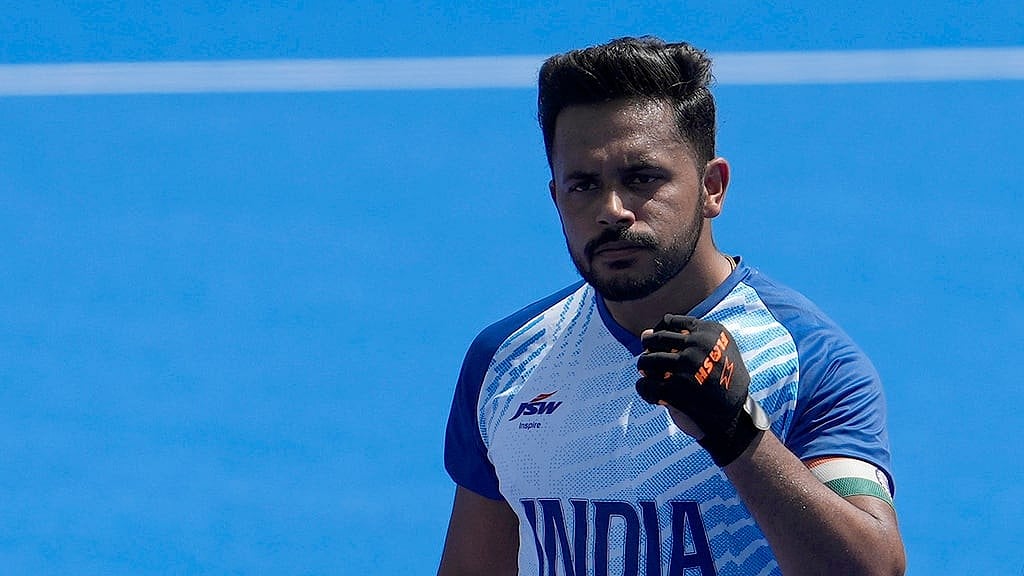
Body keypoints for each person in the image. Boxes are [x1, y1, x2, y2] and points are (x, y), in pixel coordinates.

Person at [437, 36, 906, 576]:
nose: (612, 210)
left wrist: (736, 434)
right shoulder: (506, 361)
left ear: (712, 186)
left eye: (642, 179)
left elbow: (876, 570)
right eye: (583, 185)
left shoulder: (806, 359)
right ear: (555, 199)